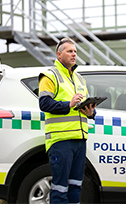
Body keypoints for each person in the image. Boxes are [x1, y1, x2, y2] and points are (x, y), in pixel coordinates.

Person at [38, 37, 96, 204]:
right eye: (69, 51)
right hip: (61, 141)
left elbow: (84, 105)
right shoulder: (49, 76)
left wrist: (91, 112)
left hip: (79, 140)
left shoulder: (79, 79)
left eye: (75, 51)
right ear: (59, 54)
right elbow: (44, 103)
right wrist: (69, 104)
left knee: (76, 186)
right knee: (60, 188)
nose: (73, 54)